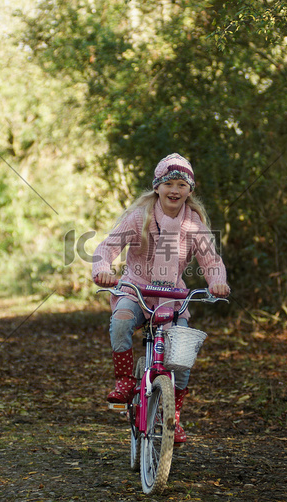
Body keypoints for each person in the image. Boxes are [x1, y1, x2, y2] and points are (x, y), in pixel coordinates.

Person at [92, 153, 229, 443]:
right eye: (169, 183)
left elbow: (211, 261)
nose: (175, 190)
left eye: (182, 184)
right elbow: (105, 249)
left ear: (190, 190)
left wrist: (217, 281)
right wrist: (103, 270)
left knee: (181, 356)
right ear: (157, 187)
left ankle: (173, 417)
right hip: (136, 289)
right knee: (121, 321)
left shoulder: (193, 225)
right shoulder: (139, 218)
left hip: (172, 297)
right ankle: (126, 380)